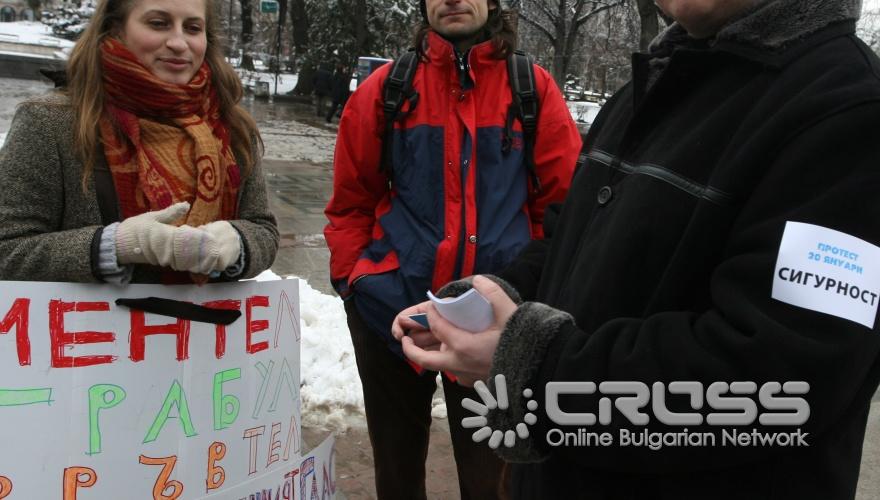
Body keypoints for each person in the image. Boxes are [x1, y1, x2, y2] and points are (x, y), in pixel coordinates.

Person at [392, 0, 880, 498]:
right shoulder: (651, 88)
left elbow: (778, 381)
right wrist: (492, 295)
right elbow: (571, 243)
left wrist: (534, 367)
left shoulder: (848, 108)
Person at [324, 0, 581, 497]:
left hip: (493, 323)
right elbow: (351, 202)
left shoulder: (532, 89)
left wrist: (525, 293)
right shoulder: (389, 89)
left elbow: (562, 210)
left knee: (493, 482)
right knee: (396, 475)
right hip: (391, 312)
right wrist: (355, 282)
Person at [0, 0, 278, 284]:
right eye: (158, 23)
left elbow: (263, 229)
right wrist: (115, 245)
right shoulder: (49, 122)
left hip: (205, 326)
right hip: (96, 327)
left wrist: (237, 243)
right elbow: (7, 249)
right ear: (116, 28)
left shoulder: (232, 126)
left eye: (193, 28)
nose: (179, 43)